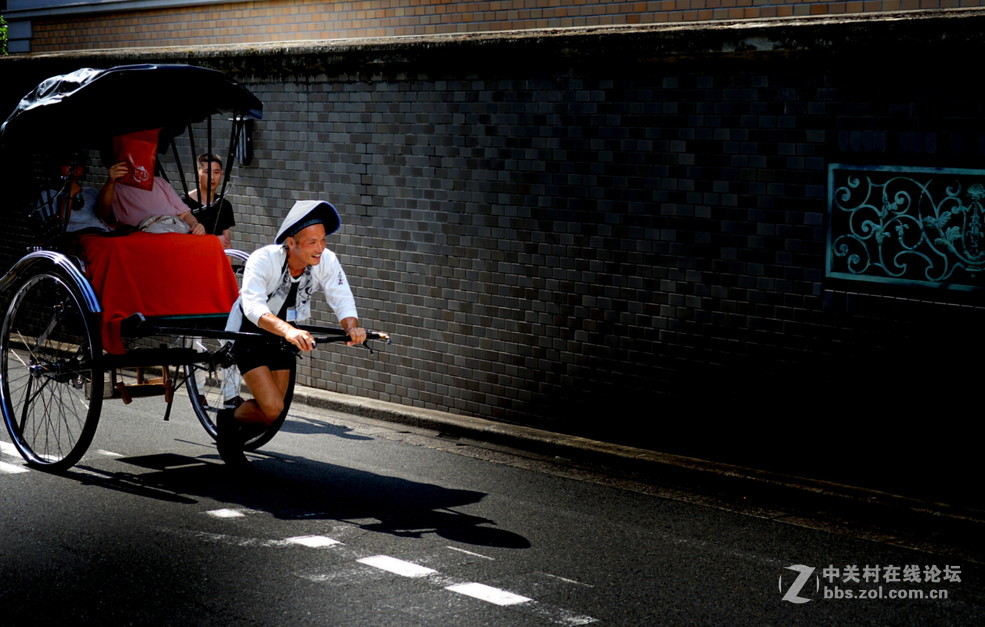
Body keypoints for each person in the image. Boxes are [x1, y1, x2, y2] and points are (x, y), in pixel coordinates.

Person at [216, 200, 367, 466]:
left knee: (274, 413)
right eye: (312, 242)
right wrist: (287, 330)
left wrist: (351, 328)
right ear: (291, 242)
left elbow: (340, 296)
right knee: (272, 407)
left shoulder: (325, 260)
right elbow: (252, 307)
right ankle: (227, 424)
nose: (320, 248)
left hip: (284, 338)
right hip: (249, 333)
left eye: (323, 240)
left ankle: (234, 430)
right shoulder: (263, 259)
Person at [97, 160, 207, 234]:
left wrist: (195, 225)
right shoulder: (115, 190)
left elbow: (185, 214)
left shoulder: (159, 182)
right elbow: (104, 212)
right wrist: (110, 181)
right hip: (145, 236)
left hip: (175, 230)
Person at [38, 164, 113, 234]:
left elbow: (107, 217)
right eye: (68, 164)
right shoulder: (49, 195)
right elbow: (56, 228)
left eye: (78, 165)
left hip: (102, 233)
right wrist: (69, 194)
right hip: (77, 236)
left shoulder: (91, 192)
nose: (74, 170)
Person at [181, 153, 235, 247]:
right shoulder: (183, 202)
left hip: (215, 258)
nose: (212, 177)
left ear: (221, 174)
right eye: (207, 172)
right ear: (198, 173)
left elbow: (227, 243)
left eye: (216, 172)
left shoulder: (224, 205)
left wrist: (228, 261)